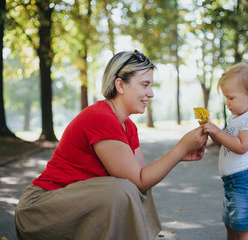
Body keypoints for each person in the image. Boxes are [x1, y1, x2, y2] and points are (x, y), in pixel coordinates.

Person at [15, 50, 208, 240]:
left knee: (131, 190)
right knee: (122, 190)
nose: (151, 93)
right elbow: (137, 180)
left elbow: (143, 181)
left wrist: (179, 155)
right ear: (120, 85)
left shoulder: (128, 126)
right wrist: (180, 147)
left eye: (151, 85)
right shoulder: (101, 117)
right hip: (41, 209)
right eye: (145, 85)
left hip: (71, 203)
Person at [202, 63, 248, 240]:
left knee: (242, 229)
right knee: (230, 225)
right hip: (231, 182)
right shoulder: (235, 118)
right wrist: (212, 133)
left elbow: (241, 146)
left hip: (245, 182)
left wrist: (218, 131)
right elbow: (225, 144)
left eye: (231, 98)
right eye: (225, 97)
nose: (226, 102)